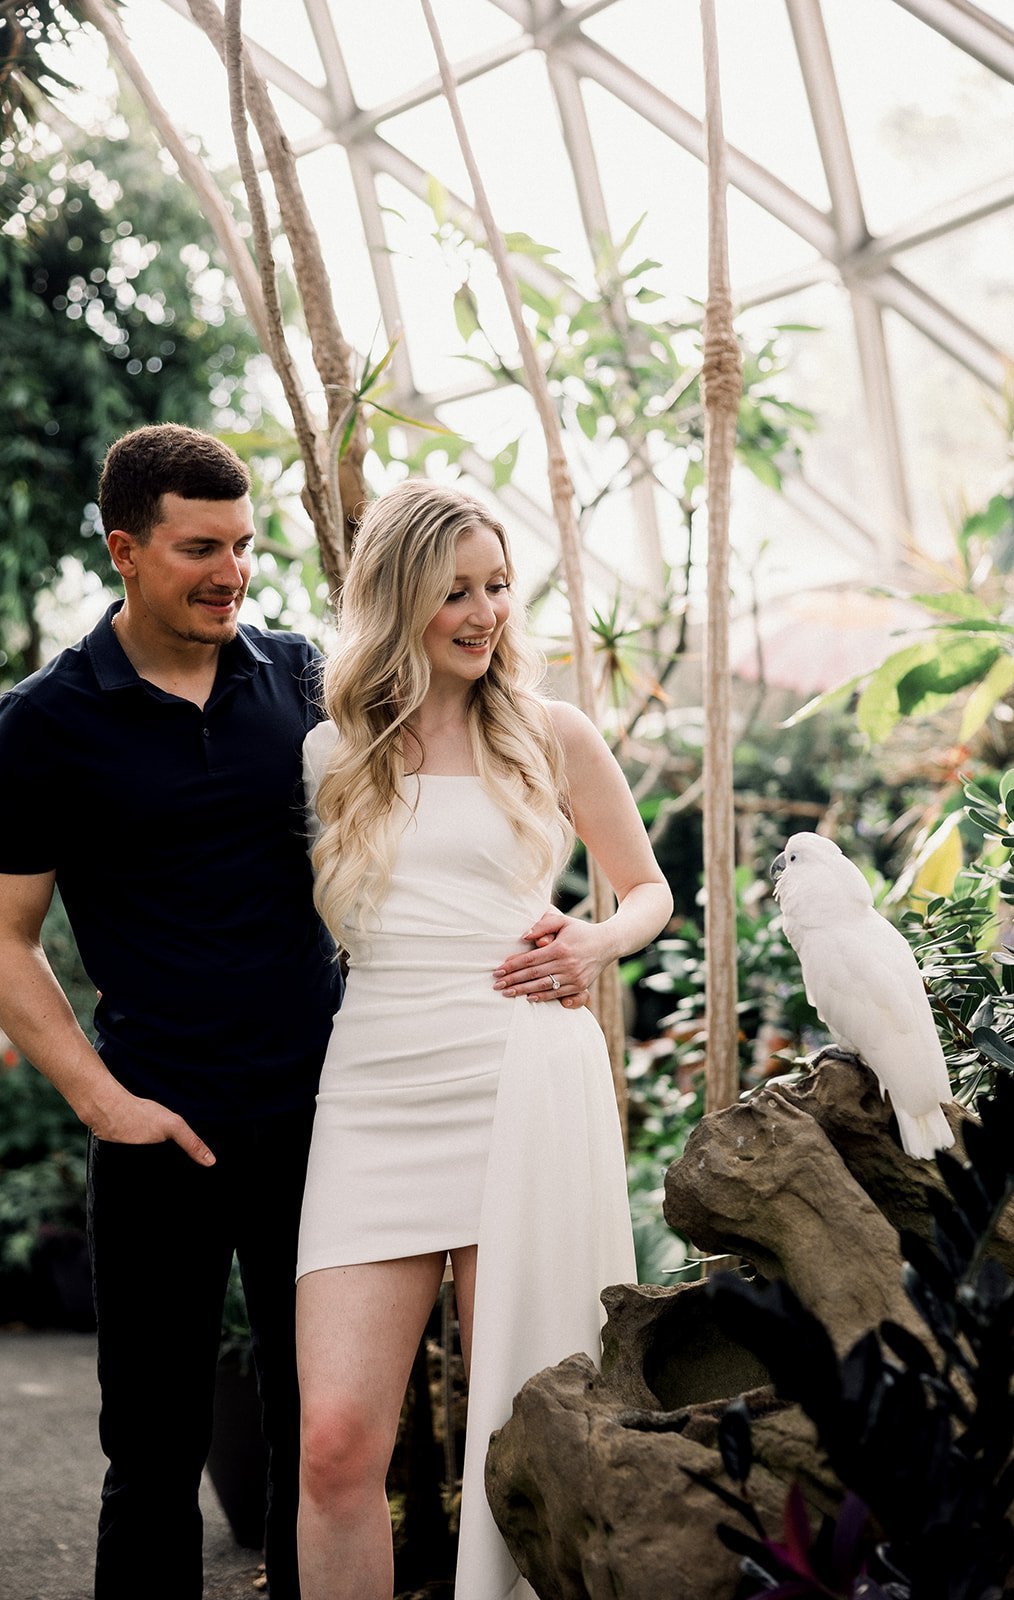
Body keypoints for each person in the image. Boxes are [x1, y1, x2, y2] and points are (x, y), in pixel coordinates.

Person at [295, 478, 673, 1600]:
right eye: (454, 591)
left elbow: (647, 887)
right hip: (372, 1085)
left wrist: (594, 943)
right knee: (334, 1444)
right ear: (395, 600)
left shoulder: (550, 735)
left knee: (530, 1425)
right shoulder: (328, 753)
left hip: (524, 1073)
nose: (483, 612)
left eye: (497, 586)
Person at [0, 424, 344, 1600]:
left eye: (243, 545)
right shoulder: (44, 721)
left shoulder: (299, 674)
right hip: (159, 1127)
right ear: (125, 550)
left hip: (321, 1116)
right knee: (148, 1457)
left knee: (325, 1442)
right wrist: (105, 1103)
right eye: (202, 547)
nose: (232, 572)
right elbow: (3, 937)